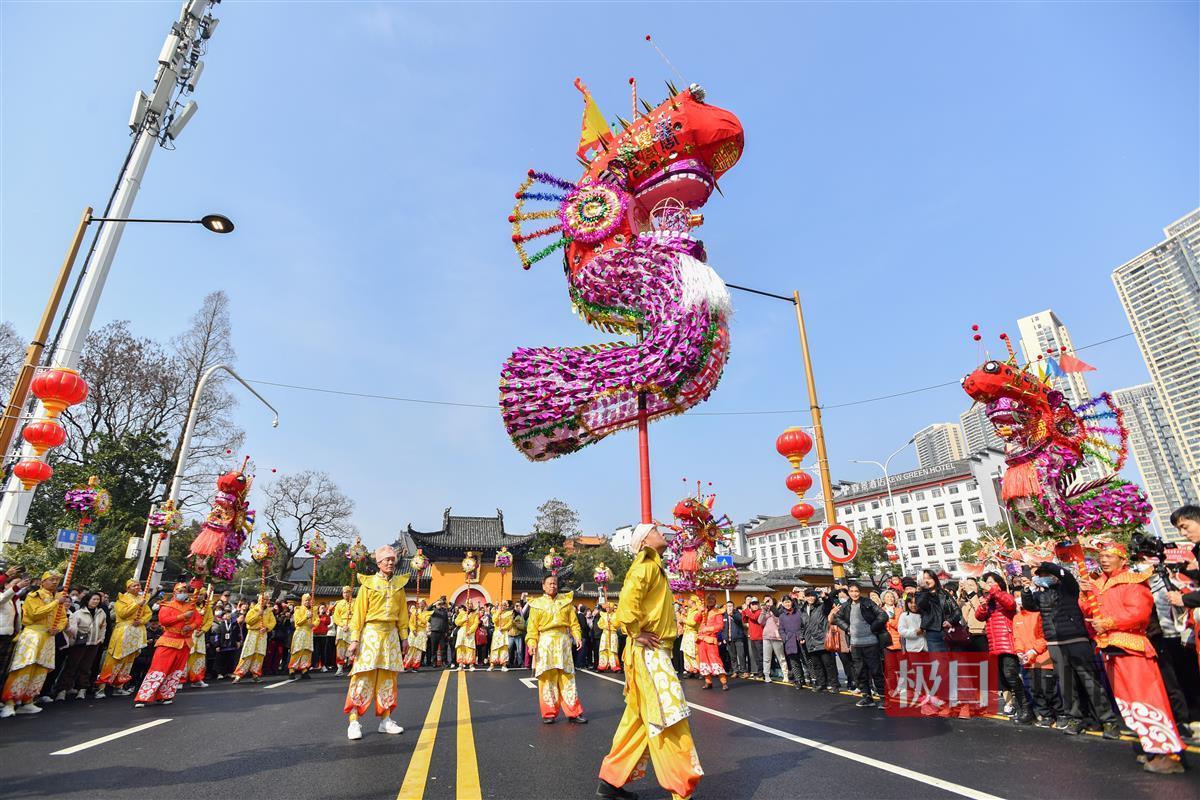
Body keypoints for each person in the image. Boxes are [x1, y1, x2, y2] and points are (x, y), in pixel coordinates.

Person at [598, 524, 702, 800]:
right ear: (645, 540)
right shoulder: (645, 565)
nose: (661, 531)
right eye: (655, 529)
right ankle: (682, 788)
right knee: (669, 716)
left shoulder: (653, 566)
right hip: (650, 651)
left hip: (651, 649)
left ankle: (610, 781)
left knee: (640, 719)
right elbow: (627, 604)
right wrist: (635, 631)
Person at [1087, 540, 1184, 774]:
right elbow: (1091, 612)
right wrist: (1086, 595)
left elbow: (1138, 614)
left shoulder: (1134, 581)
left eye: (1110, 555)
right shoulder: (1097, 584)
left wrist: (1109, 622)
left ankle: (1169, 754)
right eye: (1101, 555)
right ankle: (1152, 748)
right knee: (1129, 704)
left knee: (1148, 700)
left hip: (1133, 649)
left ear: (1123, 559)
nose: (1104, 559)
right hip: (1111, 650)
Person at [1021, 561, 1120, 735]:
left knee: (1090, 682)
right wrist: (1026, 589)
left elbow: (1064, 573)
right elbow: (1029, 605)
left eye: (1046, 575)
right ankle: (1075, 718)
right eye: (1040, 576)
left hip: (1076, 640)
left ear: (1054, 576)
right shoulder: (1041, 596)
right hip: (1055, 644)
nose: (1043, 578)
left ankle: (1108, 721)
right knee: (1067, 684)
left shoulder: (1069, 589)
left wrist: (1044, 564)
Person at [344, 544, 409, 741]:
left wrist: (404, 638)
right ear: (378, 563)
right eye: (386, 560)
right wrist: (354, 639)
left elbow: (403, 614)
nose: (390, 562)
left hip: (390, 636)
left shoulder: (399, 586)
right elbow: (359, 614)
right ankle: (354, 721)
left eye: (393, 559)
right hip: (371, 633)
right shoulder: (368, 584)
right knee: (363, 677)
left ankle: (386, 719)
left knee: (388, 679)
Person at [1, 571, 69, 717]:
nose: (55, 582)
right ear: (43, 582)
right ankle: (10, 702)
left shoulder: (58, 599)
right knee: (23, 668)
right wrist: (56, 603)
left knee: (41, 670)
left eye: (57, 580)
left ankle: (28, 700)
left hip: (48, 637)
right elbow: (35, 614)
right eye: (51, 579)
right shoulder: (34, 596)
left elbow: (63, 618)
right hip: (33, 635)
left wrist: (58, 628)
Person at [526, 574, 586, 724]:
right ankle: (549, 713)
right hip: (545, 642)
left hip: (563, 642)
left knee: (567, 677)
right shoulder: (536, 604)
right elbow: (532, 628)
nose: (553, 586)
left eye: (555, 583)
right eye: (550, 583)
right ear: (543, 586)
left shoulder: (565, 602)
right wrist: (532, 643)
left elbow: (574, 624)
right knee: (547, 678)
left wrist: (577, 636)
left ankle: (574, 712)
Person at [134, 581, 200, 707]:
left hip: (184, 643)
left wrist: (191, 626)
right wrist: (182, 616)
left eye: (185, 591)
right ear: (174, 592)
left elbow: (198, 619)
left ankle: (166, 695)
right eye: (180, 591)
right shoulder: (167, 606)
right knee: (158, 669)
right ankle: (143, 697)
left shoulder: (191, 606)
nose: (182, 593)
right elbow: (164, 621)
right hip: (168, 641)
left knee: (175, 671)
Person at [976, 572, 1029, 724]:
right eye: (986, 582)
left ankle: (1026, 708)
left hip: (1007, 642)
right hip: (994, 644)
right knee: (1005, 678)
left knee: (1011, 676)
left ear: (999, 583)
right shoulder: (989, 600)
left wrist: (992, 590)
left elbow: (1010, 604)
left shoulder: (1004, 595)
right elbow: (979, 616)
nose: (988, 584)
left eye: (992, 582)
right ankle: (1020, 708)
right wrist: (984, 603)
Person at [1011, 577, 1061, 727]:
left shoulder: (1039, 613)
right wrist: (1020, 651)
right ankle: (1046, 715)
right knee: (1035, 690)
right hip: (1027, 660)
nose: (1019, 600)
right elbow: (1017, 637)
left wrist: (1034, 650)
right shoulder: (1017, 617)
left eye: (1021, 597)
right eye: (1016, 598)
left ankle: (1061, 714)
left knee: (1049, 689)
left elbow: (1044, 636)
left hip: (1043, 658)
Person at [95, 579, 152, 697]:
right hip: (123, 631)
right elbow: (122, 613)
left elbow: (148, 614)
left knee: (129, 660)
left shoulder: (142, 599)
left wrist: (141, 620)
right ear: (128, 588)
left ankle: (119, 686)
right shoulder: (121, 600)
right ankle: (101, 688)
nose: (138, 587)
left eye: (139, 585)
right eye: (134, 585)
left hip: (136, 632)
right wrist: (137, 605)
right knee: (115, 658)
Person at [835, 583, 886, 707]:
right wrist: (847, 628)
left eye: (856, 591)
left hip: (871, 642)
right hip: (855, 644)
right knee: (860, 672)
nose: (854, 593)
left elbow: (883, 615)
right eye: (851, 591)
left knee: (876, 671)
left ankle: (884, 698)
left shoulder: (867, 602)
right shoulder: (846, 605)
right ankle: (867, 697)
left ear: (860, 591)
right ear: (849, 593)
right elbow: (837, 618)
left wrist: (872, 627)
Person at [55, 591, 107, 700]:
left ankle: (82, 689)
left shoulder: (101, 612)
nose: (96, 601)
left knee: (86, 667)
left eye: (98, 600)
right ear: (88, 600)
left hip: (94, 643)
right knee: (72, 665)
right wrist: (74, 639)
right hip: (79, 643)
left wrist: (100, 639)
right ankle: (62, 689)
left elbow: (103, 627)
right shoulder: (79, 613)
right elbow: (73, 629)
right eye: (93, 599)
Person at [232, 594, 276, 683]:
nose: (265, 601)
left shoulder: (269, 612)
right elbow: (248, 621)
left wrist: (266, 628)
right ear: (259, 600)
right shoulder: (253, 610)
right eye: (263, 599)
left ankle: (256, 674)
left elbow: (273, 622)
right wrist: (258, 615)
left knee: (259, 654)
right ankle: (239, 674)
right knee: (247, 654)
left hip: (262, 635)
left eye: (267, 600)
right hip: (253, 634)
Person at [915, 570, 962, 653]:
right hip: (933, 634)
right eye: (924, 579)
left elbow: (957, 611)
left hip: (950, 631)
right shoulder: (920, 594)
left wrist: (950, 621)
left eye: (929, 578)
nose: (926, 581)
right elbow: (921, 605)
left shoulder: (944, 593)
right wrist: (924, 590)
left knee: (955, 662)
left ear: (934, 579)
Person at [800, 589, 836, 692]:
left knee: (828, 664)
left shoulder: (821, 607)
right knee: (817, 665)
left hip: (822, 639)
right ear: (805, 597)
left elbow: (828, 604)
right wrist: (801, 636)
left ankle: (833, 685)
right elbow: (802, 626)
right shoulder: (802, 610)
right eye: (808, 596)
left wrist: (825, 597)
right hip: (810, 641)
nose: (810, 598)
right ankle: (821, 684)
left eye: (812, 596)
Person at [695, 593, 728, 691]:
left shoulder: (717, 612)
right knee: (703, 661)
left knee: (715, 660)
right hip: (701, 640)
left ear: (715, 601)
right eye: (708, 599)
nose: (710, 600)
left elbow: (720, 626)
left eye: (712, 599)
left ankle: (724, 682)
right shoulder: (703, 610)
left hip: (711, 640)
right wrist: (699, 612)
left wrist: (708, 629)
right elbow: (695, 620)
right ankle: (708, 682)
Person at [186, 587, 214, 688]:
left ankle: (197, 679)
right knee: (186, 656)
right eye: (197, 594)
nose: (199, 597)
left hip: (200, 635)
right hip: (189, 633)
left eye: (202, 595)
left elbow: (210, 619)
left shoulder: (207, 607)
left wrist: (203, 630)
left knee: (199, 657)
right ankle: (180, 680)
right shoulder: (189, 605)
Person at [778, 595, 806, 690]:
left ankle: (812, 678)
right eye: (785, 602)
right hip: (789, 640)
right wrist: (784, 638)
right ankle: (798, 680)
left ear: (792, 602)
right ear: (783, 604)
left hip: (800, 639)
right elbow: (781, 629)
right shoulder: (782, 616)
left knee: (806, 660)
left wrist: (802, 635)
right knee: (794, 662)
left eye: (789, 602)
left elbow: (804, 625)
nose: (787, 604)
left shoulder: (799, 612)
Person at [760, 597, 788, 683]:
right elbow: (760, 621)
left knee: (781, 657)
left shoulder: (779, 610)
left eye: (769, 601)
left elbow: (778, 618)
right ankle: (767, 675)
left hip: (777, 637)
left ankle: (785, 675)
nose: (767, 603)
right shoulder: (766, 612)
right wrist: (764, 611)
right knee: (767, 658)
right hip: (766, 637)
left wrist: (772, 607)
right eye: (766, 602)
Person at [958, 578, 989, 653]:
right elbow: (963, 618)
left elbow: (978, 608)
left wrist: (970, 592)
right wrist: (961, 595)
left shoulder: (983, 599)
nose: (968, 587)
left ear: (977, 587)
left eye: (971, 585)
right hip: (969, 635)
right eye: (967, 585)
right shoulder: (965, 602)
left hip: (981, 634)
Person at [289, 593, 315, 679]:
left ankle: (304, 669)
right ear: (302, 601)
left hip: (309, 633)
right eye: (306, 600)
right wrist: (306, 617)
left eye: (309, 600)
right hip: (300, 632)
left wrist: (314, 624)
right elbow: (298, 622)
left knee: (306, 651)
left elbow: (317, 619)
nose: (307, 602)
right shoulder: (298, 609)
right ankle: (292, 670)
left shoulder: (312, 610)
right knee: (297, 651)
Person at [332, 586, 355, 676]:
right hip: (342, 627)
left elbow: (358, 614)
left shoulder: (356, 602)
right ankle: (340, 668)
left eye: (348, 592)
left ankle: (353, 667)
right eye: (344, 592)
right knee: (340, 648)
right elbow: (336, 617)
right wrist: (342, 625)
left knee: (352, 647)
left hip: (352, 626)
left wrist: (352, 615)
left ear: (351, 593)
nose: (346, 594)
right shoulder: (339, 604)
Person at [212, 609, 241, 679]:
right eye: (226, 614)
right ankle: (219, 673)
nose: (228, 615)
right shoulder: (221, 624)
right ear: (223, 616)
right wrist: (217, 645)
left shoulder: (234, 624)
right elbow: (217, 635)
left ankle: (229, 672)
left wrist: (238, 641)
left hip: (231, 645)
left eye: (229, 614)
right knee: (220, 660)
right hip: (223, 645)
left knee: (231, 660)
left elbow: (237, 633)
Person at [721, 601, 746, 678]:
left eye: (731, 606)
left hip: (738, 638)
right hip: (729, 639)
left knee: (741, 655)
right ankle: (735, 671)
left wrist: (732, 615)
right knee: (733, 656)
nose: (729, 607)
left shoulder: (737, 613)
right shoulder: (724, 615)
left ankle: (743, 671)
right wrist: (724, 637)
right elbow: (723, 628)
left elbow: (739, 620)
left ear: (733, 607)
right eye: (728, 606)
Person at [404, 599, 431, 671]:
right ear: (418, 604)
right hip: (414, 632)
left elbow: (425, 621)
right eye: (420, 603)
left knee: (418, 650)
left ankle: (415, 666)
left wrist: (418, 616)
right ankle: (406, 665)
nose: (421, 605)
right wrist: (413, 630)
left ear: (425, 604)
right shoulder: (414, 612)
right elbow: (411, 622)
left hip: (422, 632)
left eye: (423, 603)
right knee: (411, 649)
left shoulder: (427, 613)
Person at [454, 602, 480, 671]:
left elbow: (476, 623)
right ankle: (461, 664)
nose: (470, 605)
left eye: (471, 603)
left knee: (470, 648)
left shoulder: (475, 613)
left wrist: (470, 631)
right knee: (461, 647)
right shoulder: (462, 613)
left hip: (470, 633)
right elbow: (456, 622)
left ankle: (471, 664)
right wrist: (463, 619)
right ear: (466, 605)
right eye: (468, 603)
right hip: (462, 632)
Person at [596, 601, 621, 672]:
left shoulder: (616, 615)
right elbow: (599, 624)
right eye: (607, 607)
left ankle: (615, 666)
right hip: (605, 634)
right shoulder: (603, 615)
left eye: (609, 607)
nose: (607, 609)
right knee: (603, 650)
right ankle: (602, 666)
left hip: (613, 634)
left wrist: (611, 621)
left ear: (612, 608)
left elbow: (617, 624)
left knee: (613, 650)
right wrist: (605, 626)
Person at [680, 595, 701, 677]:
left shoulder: (696, 612)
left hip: (692, 634)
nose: (687, 601)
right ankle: (690, 669)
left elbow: (693, 623)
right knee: (686, 652)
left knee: (693, 652)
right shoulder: (690, 611)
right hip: (687, 634)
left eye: (688, 600)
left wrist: (684, 620)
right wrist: (684, 615)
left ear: (692, 602)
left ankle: (697, 669)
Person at [489, 600, 513, 671]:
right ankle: (492, 665)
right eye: (502, 605)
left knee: (504, 649)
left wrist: (503, 628)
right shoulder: (496, 612)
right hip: (497, 632)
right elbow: (494, 620)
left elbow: (510, 624)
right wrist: (498, 612)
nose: (503, 606)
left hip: (504, 633)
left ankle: (504, 665)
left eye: (505, 605)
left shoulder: (509, 613)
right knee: (494, 648)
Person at [427, 596, 450, 668]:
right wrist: (434, 603)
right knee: (434, 648)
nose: (440, 605)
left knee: (443, 648)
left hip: (442, 632)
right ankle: (434, 662)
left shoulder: (444, 611)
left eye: (441, 604)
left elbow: (446, 622)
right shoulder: (433, 610)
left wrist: (446, 631)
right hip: (434, 631)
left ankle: (444, 662)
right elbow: (428, 609)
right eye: (439, 604)